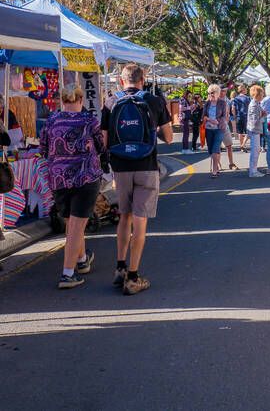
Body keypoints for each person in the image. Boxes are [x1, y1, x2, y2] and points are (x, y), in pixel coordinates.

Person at [101, 63, 173, 295]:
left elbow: (104, 141)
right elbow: (169, 138)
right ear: (143, 80)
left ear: (122, 81)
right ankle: (133, 277)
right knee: (140, 221)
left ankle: (120, 268)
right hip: (147, 166)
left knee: (124, 217)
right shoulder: (154, 101)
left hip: (121, 167)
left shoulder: (111, 103)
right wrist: (154, 131)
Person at [40, 84, 105, 289]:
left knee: (72, 223)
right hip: (85, 178)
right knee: (77, 226)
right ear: (80, 100)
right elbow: (101, 147)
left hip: (58, 179)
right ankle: (67, 274)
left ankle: (82, 259)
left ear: (62, 101)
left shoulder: (51, 121)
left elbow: (43, 149)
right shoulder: (89, 121)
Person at [203, 84, 227, 178]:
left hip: (219, 129)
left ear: (217, 93)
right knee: (210, 149)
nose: (211, 94)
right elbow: (203, 116)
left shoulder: (222, 103)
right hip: (208, 129)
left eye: (212, 93)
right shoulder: (207, 103)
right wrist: (209, 120)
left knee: (215, 149)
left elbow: (224, 116)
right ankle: (216, 166)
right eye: (209, 93)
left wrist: (215, 122)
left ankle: (214, 171)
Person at [247, 85, 266, 177]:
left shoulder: (256, 103)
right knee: (255, 151)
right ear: (258, 94)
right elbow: (255, 121)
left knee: (256, 150)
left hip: (255, 130)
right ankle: (253, 171)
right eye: (262, 93)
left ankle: (254, 170)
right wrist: (263, 117)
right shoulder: (254, 104)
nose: (263, 95)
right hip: (254, 130)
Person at [219, 88, 238, 170]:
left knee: (229, 145)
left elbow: (228, 111)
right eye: (222, 90)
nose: (225, 92)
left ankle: (231, 163)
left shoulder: (227, 100)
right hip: (217, 126)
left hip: (225, 125)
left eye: (225, 91)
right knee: (217, 147)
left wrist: (227, 118)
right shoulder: (214, 100)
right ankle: (218, 164)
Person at [233, 85, 251, 152]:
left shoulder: (236, 98)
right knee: (248, 132)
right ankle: (243, 144)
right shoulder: (247, 98)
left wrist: (235, 116)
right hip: (246, 116)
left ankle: (242, 147)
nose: (246, 90)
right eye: (246, 89)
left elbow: (233, 108)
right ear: (243, 90)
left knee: (240, 132)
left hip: (238, 116)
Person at [179, 89, 193, 154]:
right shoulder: (183, 100)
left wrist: (191, 107)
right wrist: (189, 107)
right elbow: (181, 108)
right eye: (189, 95)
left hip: (185, 118)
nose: (189, 97)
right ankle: (185, 149)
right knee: (186, 134)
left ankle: (185, 148)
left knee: (186, 133)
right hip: (184, 118)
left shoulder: (185, 100)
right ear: (186, 95)